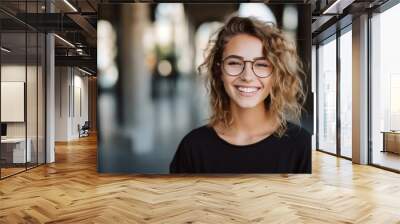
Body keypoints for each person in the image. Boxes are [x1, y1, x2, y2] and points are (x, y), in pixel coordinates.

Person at [169, 16, 311, 173]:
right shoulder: (192, 147)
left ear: (276, 74)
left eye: (262, 64)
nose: (247, 76)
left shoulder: (302, 146)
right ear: (219, 71)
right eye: (235, 63)